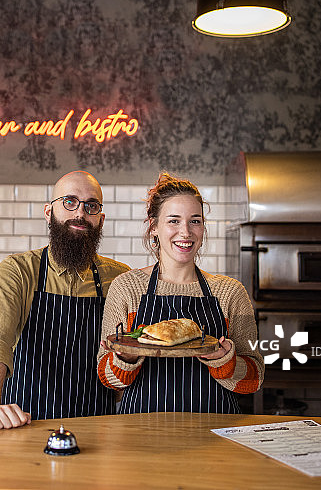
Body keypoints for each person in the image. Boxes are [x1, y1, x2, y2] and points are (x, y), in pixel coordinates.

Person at [97, 172, 263, 413]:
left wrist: (225, 362)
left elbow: (255, 379)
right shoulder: (127, 287)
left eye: (195, 221)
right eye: (173, 221)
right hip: (141, 433)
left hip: (214, 432)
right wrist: (127, 359)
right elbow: (107, 377)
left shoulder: (230, 292)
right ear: (154, 227)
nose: (185, 232)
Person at [0, 171, 130, 428]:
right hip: (24, 423)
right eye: (69, 202)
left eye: (90, 206)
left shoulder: (119, 277)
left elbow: (125, 356)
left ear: (100, 220)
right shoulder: (18, 270)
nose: (80, 213)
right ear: (49, 212)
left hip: (98, 426)